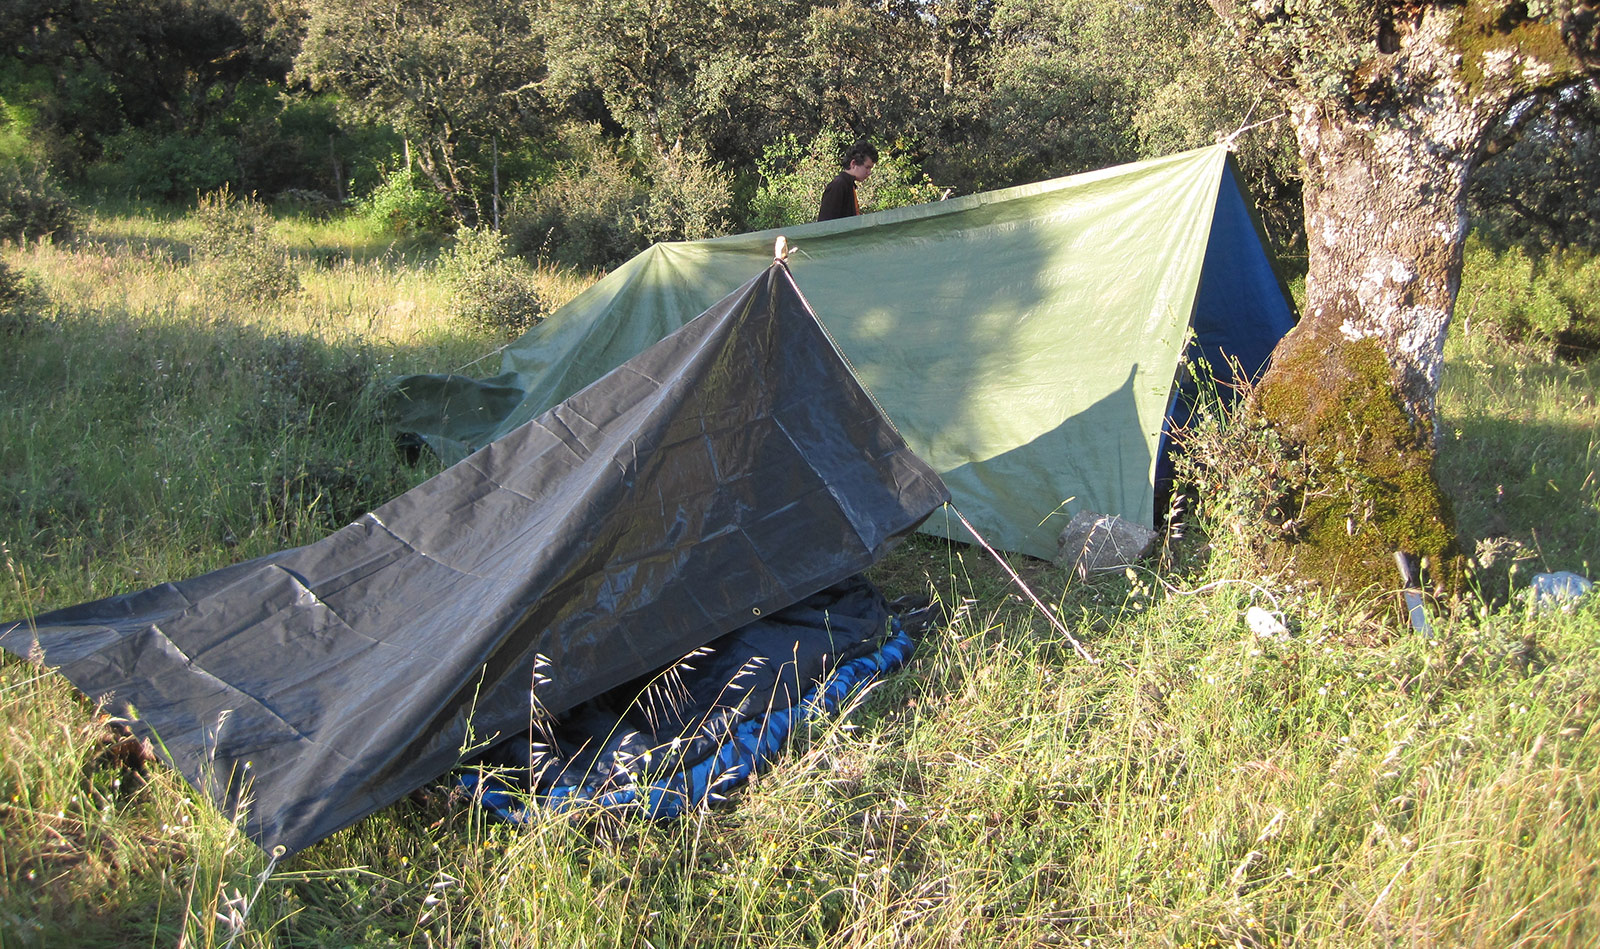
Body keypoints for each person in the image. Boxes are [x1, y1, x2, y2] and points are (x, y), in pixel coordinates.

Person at [817, 142, 878, 221]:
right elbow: (825, 224)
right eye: (867, 167)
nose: (869, 172)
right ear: (853, 163)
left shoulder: (848, 185)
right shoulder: (838, 185)